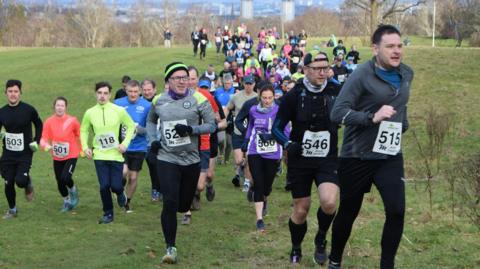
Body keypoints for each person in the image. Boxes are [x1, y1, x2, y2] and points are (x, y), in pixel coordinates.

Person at [328, 24, 414, 269]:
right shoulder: (361, 75)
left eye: (399, 46)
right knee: (348, 212)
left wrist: (401, 124)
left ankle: (387, 265)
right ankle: (335, 258)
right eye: (390, 46)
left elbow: (400, 105)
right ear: (375, 48)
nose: (396, 51)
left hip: (389, 155)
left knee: (397, 210)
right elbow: (337, 113)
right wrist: (371, 117)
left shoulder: (407, 74)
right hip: (357, 155)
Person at [272, 52, 340, 265]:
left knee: (329, 202)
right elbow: (276, 127)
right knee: (301, 210)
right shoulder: (294, 95)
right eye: (318, 68)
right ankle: (296, 245)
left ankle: (321, 237)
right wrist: (287, 143)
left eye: (326, 68)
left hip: (327, 157)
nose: (323, 72)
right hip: (300, 159)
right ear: (306, 69)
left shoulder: (336, 90)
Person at [146, 62, 216, 264]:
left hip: (191, 160)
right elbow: (150, 121)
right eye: (177, 78)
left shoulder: (198, 99)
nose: (182, 81)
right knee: (169, 201)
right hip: (167, 158)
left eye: (185, 77)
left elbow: (212, 125)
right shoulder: (159, 100)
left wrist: (192, 130)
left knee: (183, 204)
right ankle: (170, 247)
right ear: (168, 81)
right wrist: (153, 141)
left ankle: (188, 200)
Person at [80, 81, 135, 224]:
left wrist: (125, 144)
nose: (102, 96)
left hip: (116, 155)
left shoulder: (119, 110)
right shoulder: (90, 113)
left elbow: (130, 126)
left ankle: (120, 193)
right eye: (99, 93)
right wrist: (85, 147)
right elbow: (84, 130)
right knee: (104, 186)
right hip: (99, 155)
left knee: (116, 186)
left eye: (105, 93)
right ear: (95, 94)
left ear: (110, 95)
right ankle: (108, 213)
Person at [243, 83, 288, 232]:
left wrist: (278, 137)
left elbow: (286, 130)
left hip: (273, 151)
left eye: (270, 98)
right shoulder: (253, 110)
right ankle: (259, 219)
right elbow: (250, 126)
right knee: (258, 183)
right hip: (255, 150)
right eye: (264, 98)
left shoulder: (279, 110)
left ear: (274, 97)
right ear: (260, 97)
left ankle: (264, 197)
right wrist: (246, 139)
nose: (267, 101)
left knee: (267, 186)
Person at [181, 66, 222, 225]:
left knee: (200, 185)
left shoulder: (205, 95)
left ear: (197, 79)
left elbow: (217, 117)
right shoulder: (178, 97)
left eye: (192, 79)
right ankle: (186, 212)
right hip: (184, 145)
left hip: (203, 143)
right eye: (186, 78)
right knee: (185, 178)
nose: (189, 82)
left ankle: (200, 191)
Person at [0, 79, 42, 219]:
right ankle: (12, 210)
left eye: (16, 91)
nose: (13, 94)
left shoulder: (29, 110)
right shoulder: (2, 112)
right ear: (6, 93)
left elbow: (39, 124)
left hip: (24, 153)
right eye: (10, 91)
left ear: (20, 93)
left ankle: (27, 181)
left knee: (20, 182)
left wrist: (36, 140)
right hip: (7, 154)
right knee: (8, 182)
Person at [114, 80, 151, 212]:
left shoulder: (147, 106)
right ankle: (119, 189)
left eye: (136, 92)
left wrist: (139, 129)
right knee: (123, 172)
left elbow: (150, 128)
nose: (133, 94)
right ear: (126, 91)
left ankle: (127, 201)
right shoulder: (118, 104)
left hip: (139, 146)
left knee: (133, 176)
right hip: (123, 145)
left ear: (140, 91)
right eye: (130, 91)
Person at [40, 97, 81, 212]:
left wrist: (83, 149)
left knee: (66, 177)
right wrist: (45, 146)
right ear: (54, 107)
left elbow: (80, 134)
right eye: (58, 105)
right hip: (57, 156)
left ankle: (73, 191)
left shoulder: (72, 121)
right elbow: (43, 137)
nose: (60, 108)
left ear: (65, 107)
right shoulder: (49, 121)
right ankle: (66, 201)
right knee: (60, 182)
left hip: (71, 154)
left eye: (62, 105)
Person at [224, 75, 257, 191]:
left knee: (248, 157)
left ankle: (247, 183)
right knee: (239, 160)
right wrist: (224, 119)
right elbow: (228, 108)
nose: (249, 86)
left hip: (251, 134)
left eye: (251, 84)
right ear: (243, 84)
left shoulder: (258, 98)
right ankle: (241, 171)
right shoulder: (236, 96)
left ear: (254, 84)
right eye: (247, 83)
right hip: (238, 132)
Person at [141, 79, 162, 201]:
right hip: (146, 142)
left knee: (164, 166)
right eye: (144, 90)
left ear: (155, 89)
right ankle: (155, 188)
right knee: (153, 165)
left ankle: (162, 189)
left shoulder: (160, 101)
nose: (147, 92)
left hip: (162, 139)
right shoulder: (140, 103)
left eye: (149, 90)